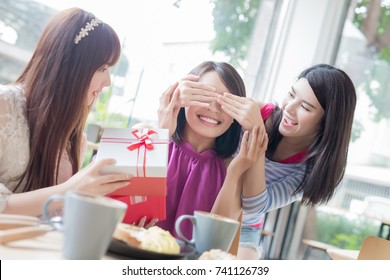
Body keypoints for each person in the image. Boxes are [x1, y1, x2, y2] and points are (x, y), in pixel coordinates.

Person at [211, 63, 357, 258]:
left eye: (305, 107)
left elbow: (254, 205)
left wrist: (257, 133)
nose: (289, 107)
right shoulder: (259, 113)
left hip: (245, 227)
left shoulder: (310, 169)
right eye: (291, 94)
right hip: (205, 202)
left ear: (327, 123)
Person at [0, 8, 131, 216]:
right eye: (102, 68)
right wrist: (70, 189)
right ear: (70, 66)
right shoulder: (4, 106)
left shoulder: (76, 142)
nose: (107, 82)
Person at [156, 61, 267, 240]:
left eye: (225, 102)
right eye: (205, 96)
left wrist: (234, 173)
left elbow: (213, 242)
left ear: (235, 118)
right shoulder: (148, 138)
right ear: (184, 98)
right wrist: (160, 135)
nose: (213, 108)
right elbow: (127, 213)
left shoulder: (234, 168)